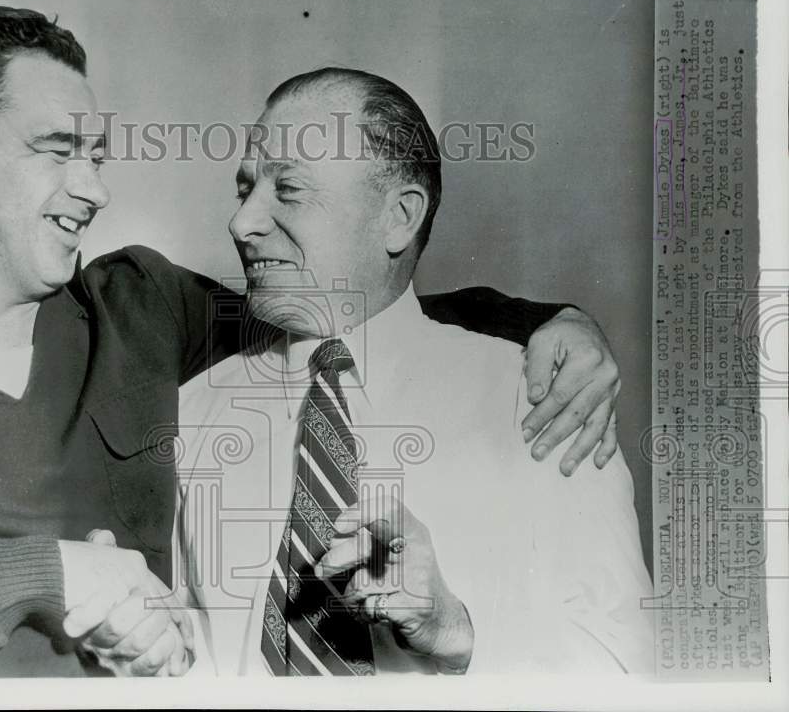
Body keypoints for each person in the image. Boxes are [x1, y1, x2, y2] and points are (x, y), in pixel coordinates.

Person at [0, 7, 622, 679]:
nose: (97, 190)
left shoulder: (141, 312)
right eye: (62, 151)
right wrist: (57, 576)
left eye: (98, 156)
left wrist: (550, 321)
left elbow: (350, 312)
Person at [176, 67, 653, 675]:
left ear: (400, 217)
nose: (242, 224)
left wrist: (455, 632)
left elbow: (626, 664)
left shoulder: (541, 401)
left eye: (288, 191)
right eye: (245, 190)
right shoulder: (195, 414)